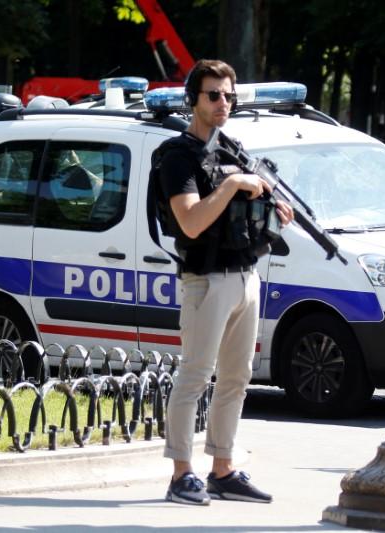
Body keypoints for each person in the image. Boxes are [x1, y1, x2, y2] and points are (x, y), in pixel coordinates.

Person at [159, 59, 294, 505]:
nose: (222, 103)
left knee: (237, 378)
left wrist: (274, 211)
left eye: (229, 95)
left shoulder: (230, 148)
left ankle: (222, 468)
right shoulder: (178, 156)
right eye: (213, 95)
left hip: (245, 275)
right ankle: (182, 474)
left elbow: (249, 204)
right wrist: (235, 182)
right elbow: (192, 222)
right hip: (205, 280)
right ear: (193, 100)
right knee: (196, 375)